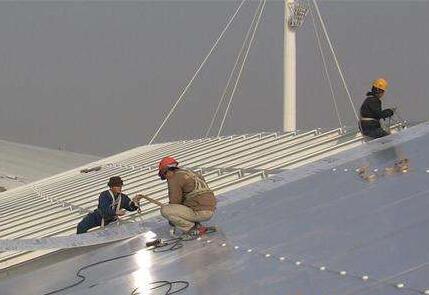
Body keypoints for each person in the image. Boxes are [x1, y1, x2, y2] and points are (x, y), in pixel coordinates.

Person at [158, 156, 216, 238]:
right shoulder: (190, 173)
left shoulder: (174, 177)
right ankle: (197, 226)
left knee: (166, 210)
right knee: (185, 205)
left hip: (200, 211)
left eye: (164, 175)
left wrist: (172, 220)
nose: (166, 178)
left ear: (166, 170)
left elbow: (175, 202)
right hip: (210, 209)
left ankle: (191, 229)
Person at [76, 176, 144, 234]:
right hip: (98, 217)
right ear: (111, 187)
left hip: (112, 220)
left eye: (120, 186)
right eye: (117, 186)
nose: (120, 188)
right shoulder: (104, 195)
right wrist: (115, 212)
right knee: (81, 226)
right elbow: (104, 208)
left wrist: (135, 202)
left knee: (128, 226)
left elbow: (130, 207)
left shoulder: (123, 197)